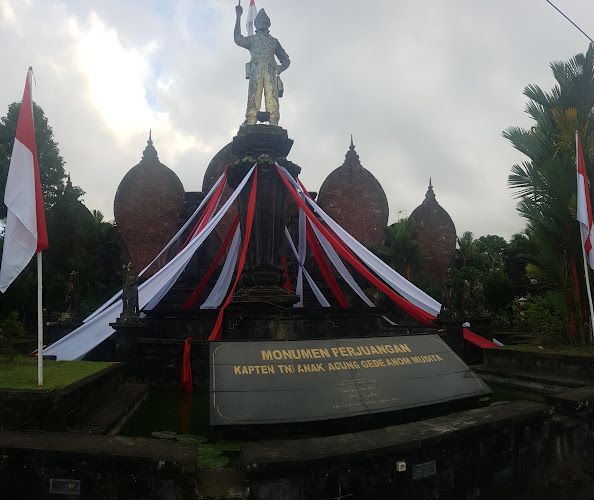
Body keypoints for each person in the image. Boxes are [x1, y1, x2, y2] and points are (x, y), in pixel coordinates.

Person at [234, 5, 290, 126]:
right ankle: (251, 120)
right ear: (256, 24)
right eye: (259, 21)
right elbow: (238, 39)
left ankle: (273, 121)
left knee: (272, 98)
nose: (262, 22)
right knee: (254, 95)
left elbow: (286, 59)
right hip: (256, 68)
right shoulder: (252, 40)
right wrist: (238, 16)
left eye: (264, 20)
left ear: (268, 23)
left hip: (270, 70)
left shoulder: (274, 42)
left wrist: (281, 68)